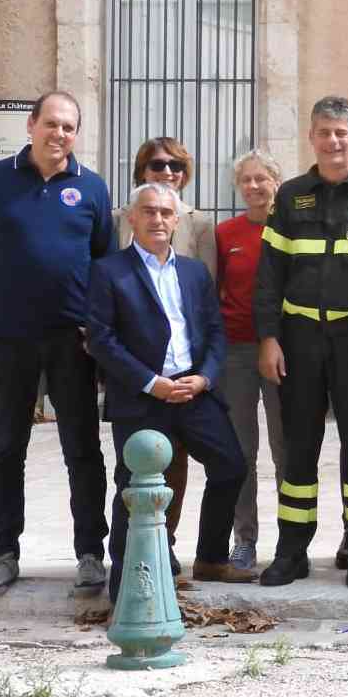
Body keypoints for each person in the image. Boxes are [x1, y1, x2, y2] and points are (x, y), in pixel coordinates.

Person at [0, 91, 112, 594]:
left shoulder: (91, 187)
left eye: (68, 127)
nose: (59, 134)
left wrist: (101, 330)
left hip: (73, 340)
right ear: (31, 125)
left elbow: (105, 265)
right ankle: (4, 552)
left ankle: (90, 552)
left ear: (76, 134)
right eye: (51, 123)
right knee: (7, 446)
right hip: (8, 335)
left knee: (82, 447)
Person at [254, 96, 348, 589]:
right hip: (299, 341)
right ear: (311, 138)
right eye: (324, 132)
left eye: (341, 133)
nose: (333, 141)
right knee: (299, 447)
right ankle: (292, 550)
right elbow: (270, 275)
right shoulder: (292, 196)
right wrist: (269, 338)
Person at [86, 183, 256, 599]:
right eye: (149, 211)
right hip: (142, 397)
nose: (158, 219)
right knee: (134, 487)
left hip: (193, 389)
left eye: (165, 212)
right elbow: (102, 340)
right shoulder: (109, 271)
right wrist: (151, 383)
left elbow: (214, 331)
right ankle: (125, 587)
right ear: (132, 218)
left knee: (231, 465)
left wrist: (205, 378)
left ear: (177, 220)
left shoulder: (194, 272)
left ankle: (211, 558)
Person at [114, 135, 218, 573]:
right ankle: (129, 562)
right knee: (135, 464)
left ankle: (165, 545)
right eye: (158, 165)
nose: (168, 172)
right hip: (134, 364)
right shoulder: (118, 218)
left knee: (177, 460)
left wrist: (202, 370)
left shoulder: (200, 223)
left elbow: (206, 288)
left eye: (176, 166)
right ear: (142, 170)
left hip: (183, 364)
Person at [217, 149, 286, 571]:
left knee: (285, 450)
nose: (254, 186)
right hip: (236, 351)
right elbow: (214, 290)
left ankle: (291, 538)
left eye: (262, 178)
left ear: (276, 181)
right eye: (247, 179)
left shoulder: (290, 230)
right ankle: (244, 539)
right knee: (241, 450)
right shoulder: (226, 234)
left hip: (281, 351)